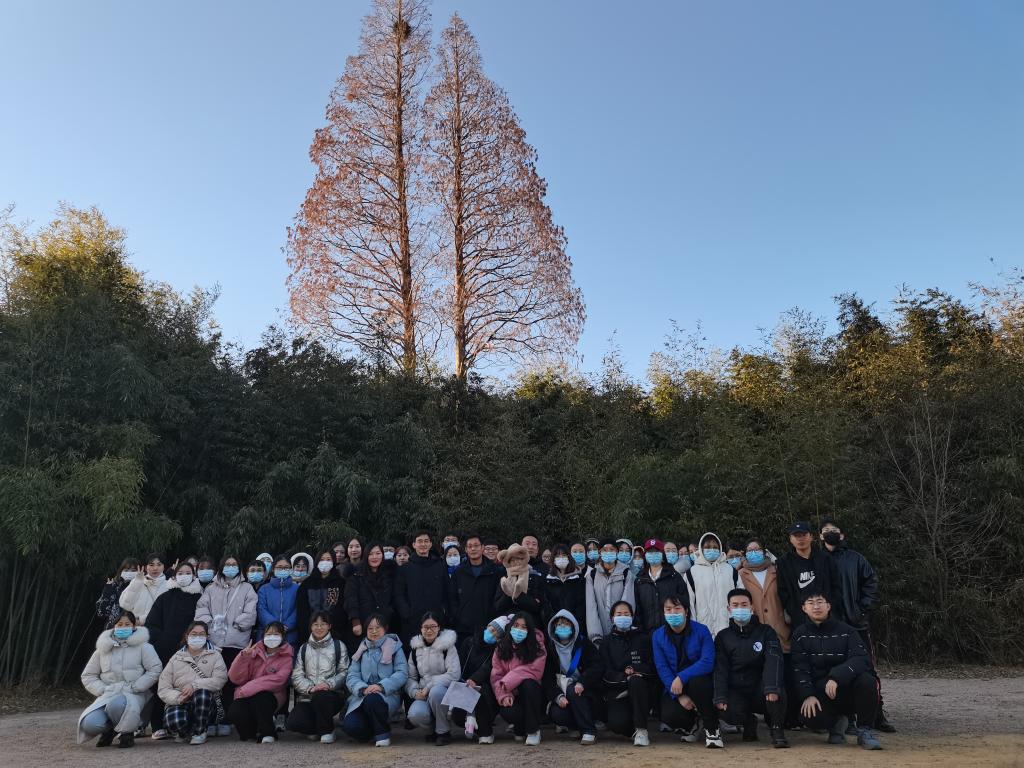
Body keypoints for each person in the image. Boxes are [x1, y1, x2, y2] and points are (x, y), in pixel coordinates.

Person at [820, 519, 894, 732]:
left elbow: (871, 584)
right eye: (826, 530)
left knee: (867, 669)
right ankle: (846, 716)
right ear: (820, 536)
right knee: (834, 670)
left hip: (856, 625)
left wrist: (861, 609)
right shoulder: (817, 559)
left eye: (834, 530)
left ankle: (876, 714)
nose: (831, 533)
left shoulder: (856, 559)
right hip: (829, 626)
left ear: (842, 534)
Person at [791, 591, 883, 749]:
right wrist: (808, 695)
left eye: (820, 602)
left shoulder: (847, 631)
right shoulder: (800, 634)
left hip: (847, 687)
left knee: (867, 681)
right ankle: (836, 724)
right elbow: (800, 668)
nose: (816, 607)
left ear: (828, 606)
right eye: (811, 603)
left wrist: (836, 677)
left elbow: (862, 659)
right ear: (804, 608)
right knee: (809, 715)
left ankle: (864, 730)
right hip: (821, 691)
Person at [713, 589, 788, 747]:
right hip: (737, 689)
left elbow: (773, 660)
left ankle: (777, 729)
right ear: (729, 609)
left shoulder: (766, 632)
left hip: (761, 688)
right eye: (735, 605)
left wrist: (771, 688)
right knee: (724, 709)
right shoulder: (723, 637)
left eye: (744, 604)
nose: (740, 608)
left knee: (777, 689)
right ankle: (748, 721)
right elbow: (720, 669)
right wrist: (720, 696)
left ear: (752, 607)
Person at [78, 612, 162, 748]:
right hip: (109, 693)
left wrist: (137, 686)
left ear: (134, 626)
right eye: (120, 624)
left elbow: (155, 669)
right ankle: (110, 730)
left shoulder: (144, 647)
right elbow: (88, 675)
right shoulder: (102, 649)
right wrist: (102, 689)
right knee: (89, 723)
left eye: (127, 624)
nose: (123, 627)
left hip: (134, 693)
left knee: (116, 705)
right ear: (114, 626)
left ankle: (127, 733)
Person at [194, 554, 258, 731]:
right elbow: (201, 609)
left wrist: (236, 623)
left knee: (231, 681)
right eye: (227, 564)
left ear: (239, 566)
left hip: (236, 642)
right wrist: (211, 623)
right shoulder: (211, 588)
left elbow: (251, 612)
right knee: (213, 681)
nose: (230, 567)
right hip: (214, 642)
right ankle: (212, 718)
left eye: (234, 564)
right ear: (221, 567)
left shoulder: (247, 588)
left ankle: (227, 720)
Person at [651, 595, 721, 748]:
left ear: (686, 611)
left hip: (700, 683)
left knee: (698, 683)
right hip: (675, 686)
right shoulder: (658, 635)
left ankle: (712, 727)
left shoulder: (701, 630)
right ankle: (694, 724)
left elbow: (708, 661)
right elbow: (662, 667)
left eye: (677, 609)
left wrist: (682, 677)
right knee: (669, 715)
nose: (673, 613)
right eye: (668, 609)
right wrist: (679, 696)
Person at [145, 561, 204, 739]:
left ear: (194, 576)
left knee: (190, 685)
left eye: (188, 573)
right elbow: (152, 624)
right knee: (162, 685)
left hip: (192, 650)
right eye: (181, 573)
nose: (184, 576)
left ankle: (189, 723)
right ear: (175, 576)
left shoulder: (200, 598)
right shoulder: (164, 597)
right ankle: (157, 725)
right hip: (164, 650)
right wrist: (161, 640)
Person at [342, 613, 409, 747]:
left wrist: (381, 686)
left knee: (373, 700)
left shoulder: (395, 647)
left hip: (387, 694)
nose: (374, 631)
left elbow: (402, 673)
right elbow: (352, 675)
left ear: (385, 628)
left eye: (378, 628)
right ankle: (371, 732)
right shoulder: (362, 648)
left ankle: (382, 734)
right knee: (350, 725)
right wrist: (362, 688)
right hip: (363, 695)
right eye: (370, 628)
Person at [157, 620, 228, 745]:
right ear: (187, 636)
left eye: (201, 634)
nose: (197, 637)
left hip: (205, 702)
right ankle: (184, 732)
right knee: (174, 721)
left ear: (207, 637)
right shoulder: (176, 658)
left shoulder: (215, 655)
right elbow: (163, 687)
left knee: (202, 694)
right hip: (180, 700)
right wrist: (179, 697)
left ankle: (200, 731)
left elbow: (220, 679)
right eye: (194, 634)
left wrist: (194, 686)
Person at [597, 601, 656, 746]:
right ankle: (632, 730)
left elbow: (652, 666)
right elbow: (605, 672)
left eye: (626, 614)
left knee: (636, 681)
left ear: (632, 616)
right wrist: (625, 677)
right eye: (619, 614)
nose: (623, 617)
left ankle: (642, 730)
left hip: (641, 689)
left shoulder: (643, 638)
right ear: (612, 618)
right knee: (617, 724)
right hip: (618, 691)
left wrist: (635, 670)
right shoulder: (606, 642)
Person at [287, 611, 350, 743]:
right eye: (315, 624)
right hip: (309, 696)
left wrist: (328, 684)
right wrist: (310, 688)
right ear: (311, 627)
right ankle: (316, 729)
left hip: (331, 695)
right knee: (293, 722)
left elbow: (344, 672)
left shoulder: (339, 645)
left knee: (322, 697)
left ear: (329, 626)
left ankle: (327, 731)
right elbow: (297, 675)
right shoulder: (304, 648)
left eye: (323, 624)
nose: (319, 627)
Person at [227, 621, 294, 744]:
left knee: (261, 698)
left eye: (276, 634)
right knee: (235, 712)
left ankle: (268, 732)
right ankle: (253, 729)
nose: (272, 637)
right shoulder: (254, 651)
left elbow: (279, 680)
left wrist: (249, 688)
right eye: (268, 634)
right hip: (247, 693)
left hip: (272, 695)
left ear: (283, 637)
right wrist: (243, 657)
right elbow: (235, 678)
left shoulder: (287, 656)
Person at [544, 609, 603, 745]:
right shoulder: (551, 648)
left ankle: (589, 730)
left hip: (587, 692)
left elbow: (597, 667)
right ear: (554, 627)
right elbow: (547, 678)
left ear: (573, 626)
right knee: (556, 713)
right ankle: (575, 727)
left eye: (566, 624)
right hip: (564, 692)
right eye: (559, 624)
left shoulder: (584, 644)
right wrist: (558, 696)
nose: (562, 627)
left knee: (573, 689)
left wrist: (583, 682)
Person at [451, 615, 509, 744]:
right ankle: (473, 724)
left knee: (482, 699)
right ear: (487, 626)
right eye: (491, 630)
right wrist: (460, 681)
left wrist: (475, 680)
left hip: (486, 686)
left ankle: (485, 732)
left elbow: (490, 667)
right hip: (464, 684)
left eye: (496, 635)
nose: (492, 635)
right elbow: (459, 663)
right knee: (457, 716)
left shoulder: (498, 650)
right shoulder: (468, 642)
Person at [491, 611, 547, 745]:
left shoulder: (537, 646)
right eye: (516, 626)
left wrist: (508, 680)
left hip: (531, 694)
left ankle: (533, 730)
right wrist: (504, 695)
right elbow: (496, 676)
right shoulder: (501, 648)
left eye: (524, 627)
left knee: (529, 684)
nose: (519, 630)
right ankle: (520, 728)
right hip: (510, 692)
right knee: (508, 711)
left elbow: (534, 670)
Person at [405, 612, 461, 745]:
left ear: (439, 627)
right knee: (414, 715)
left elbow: (454, 675)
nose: (429, 630)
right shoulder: (415, 649)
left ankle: (443, 731)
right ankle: (431, 730)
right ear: (421, 629)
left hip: (444, 691)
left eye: (433, 626)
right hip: (423, 693)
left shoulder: (448, 647)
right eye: (425, 627)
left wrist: (429, 686)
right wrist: (414, 692)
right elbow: (410, 677)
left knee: (436, 692)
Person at [776, 521, 841, 632]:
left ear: (811, 537)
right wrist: (794, 612)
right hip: (800, 620)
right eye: (796, 536)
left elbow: (836, 585)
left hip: (828, 616)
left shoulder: (825, 559)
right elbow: (783, 591)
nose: (800, 539)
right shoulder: (784, 563)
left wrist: (830, 607)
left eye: (804, 535)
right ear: (790, 539)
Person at [394, 531, 448, 644]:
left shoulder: (440, 565)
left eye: (426, 541)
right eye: (420, 541)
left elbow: (447, 591)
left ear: (430, 544)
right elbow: (399, 594)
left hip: (436, 619)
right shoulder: (405, 568)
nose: (423, 544)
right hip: (412, 620)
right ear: (414, 545)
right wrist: (406, 613)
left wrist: (444, 611)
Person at [449, 533, 503, 644]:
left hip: (489, 628)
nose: (473, 549)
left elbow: (499, 598)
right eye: (470, 546)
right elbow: (452, 598)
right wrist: (458, 616)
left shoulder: (495, 571)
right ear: (466, 549)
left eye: (476, 545)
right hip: (463, 628)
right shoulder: (459, 572)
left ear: (482, 548)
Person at [684, 532, 737, 636]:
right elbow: (690, 602)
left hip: (729, 627)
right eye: (707, 547)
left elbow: (740, 596)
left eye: (715, 547)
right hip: (703, 628)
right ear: (701, 549)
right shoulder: (692, 572)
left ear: (720, 548)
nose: (712, 550)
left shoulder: (730, 570)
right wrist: (693, 627)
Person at [345, 542, 397, 645]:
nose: (374, 557)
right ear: (365, 556)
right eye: (371, 554)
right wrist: (355, 621)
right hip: (363, 624)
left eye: (378, 553)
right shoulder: (356, 575)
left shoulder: (389, 574)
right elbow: (351, 598)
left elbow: (394, 598)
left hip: (385, 623)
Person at [584, 538, 635, 643]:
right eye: (605, 550)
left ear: (616, 552)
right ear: (600, 552)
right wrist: (596, 636)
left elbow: (628, 602)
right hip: (600, 634)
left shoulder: (626, 573)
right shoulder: (592, 575)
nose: (608, 552)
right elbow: (591, 608)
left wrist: (621, 628)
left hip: (621, 632)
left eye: (612, 549)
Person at [633, 538, 689, 632]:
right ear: (645, 555)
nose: (653, 554)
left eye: (656, 551)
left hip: (671, 631)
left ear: (662, 554)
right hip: (647, 633)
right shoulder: (640, 579)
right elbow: (637, 609)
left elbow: (685, 603)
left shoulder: (674, 576)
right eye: (650, 552)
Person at [543, 543, 587, 637]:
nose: (561, 558)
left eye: (564, 555)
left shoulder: (578, 580)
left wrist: (574, 624)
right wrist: (555, 623)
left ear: (569, 558)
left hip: (575, 628)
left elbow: (581, 606)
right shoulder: (547, 581)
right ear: (553, 559)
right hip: (555, 627)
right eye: (557, 556)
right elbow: (546, 607)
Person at [494, 543, 546, 621]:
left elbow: (537, 606)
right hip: (507, 622)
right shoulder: (504, 580)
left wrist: (518, 596)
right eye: (513, 560)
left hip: (529, 621)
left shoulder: (535, 577)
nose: (516, 562)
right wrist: (509, 593)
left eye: (519, 559)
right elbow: (497, 607)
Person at [257, 556, 299, 645]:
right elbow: (261, 609)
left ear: (291, 569)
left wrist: (287, 625)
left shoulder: (297, 589)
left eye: (286, 567)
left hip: (290, 636)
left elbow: (298, 609)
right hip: (267, 635)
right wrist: (275, 626)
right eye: (279, 567)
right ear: (273, 569)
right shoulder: (264, 589)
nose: (283, 569)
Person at [118, 553, 168, 625]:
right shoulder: (137, 582)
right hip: (136, 627)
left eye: (159, 565)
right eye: (151, 565)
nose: (155, 568)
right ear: (145, 567)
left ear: (164, 567)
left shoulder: (168, 586)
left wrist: (141, 620)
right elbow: (125, 605)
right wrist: (137, 582)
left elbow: (167, 610)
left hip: (158, 627)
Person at [307, 550, 346, 632]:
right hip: (311, 629)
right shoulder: (308, 583)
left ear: (333, 561)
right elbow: (302, 609)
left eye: (328, 559)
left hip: (334, 629)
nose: (325, 562)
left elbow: (341, 608)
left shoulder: (340, 583)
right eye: (322, 559)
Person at [96, 557, 140, 629]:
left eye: (133, 571)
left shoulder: (143, 587)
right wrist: (108, 590)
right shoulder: (113, 586)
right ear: (121, 571)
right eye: (126, 570)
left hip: (135, 628)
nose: (129, 573)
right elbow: (101, 613)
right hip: (113, 628)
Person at [290, 552, 314, 644]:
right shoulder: (288, 582)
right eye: (297, 566)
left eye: (303, 566)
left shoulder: (311, 583)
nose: (300, 569)